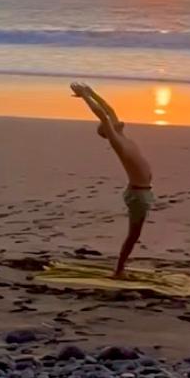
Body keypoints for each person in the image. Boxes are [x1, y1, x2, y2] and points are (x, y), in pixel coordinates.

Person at [70, 82, 154, 278]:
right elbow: (101, 114)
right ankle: (119, 270)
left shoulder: (122, 135)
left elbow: (109, 110)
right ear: (108, 131)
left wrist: (92, 92)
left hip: (143, 192)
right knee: (133, 236)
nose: (113, 119)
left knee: (135, 234)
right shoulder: (118, 143)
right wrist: (85, 97)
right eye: (108, 123)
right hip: (138, 195)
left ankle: (120, 268)